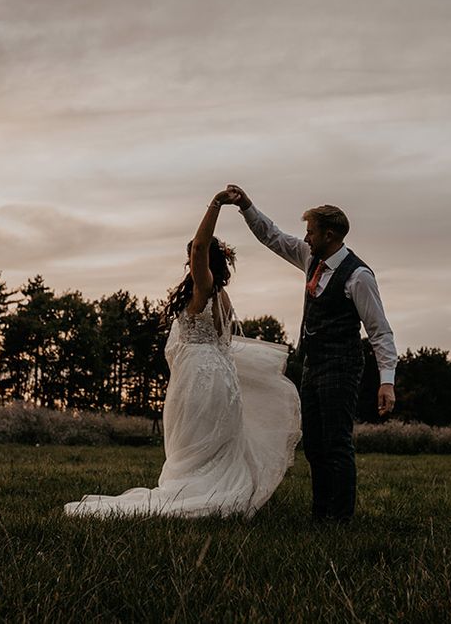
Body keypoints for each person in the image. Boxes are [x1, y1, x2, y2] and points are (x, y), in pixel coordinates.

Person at [64, 191, 301, 518]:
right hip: (220, 379)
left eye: (194, 258)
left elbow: (201, 246)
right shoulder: (221, 295)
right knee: (209, 446)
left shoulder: (205, 285)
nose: (191, 261)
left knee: (192, 447)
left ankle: (197, 493)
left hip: (199, 381)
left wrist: (216, 204)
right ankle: (219, 489)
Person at [224, 185, 397, 523]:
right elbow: (272, 236)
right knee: (315, 445)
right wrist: (246, 205)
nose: (305, 238)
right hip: (313, 364)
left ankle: (340, 519)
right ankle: (320, 515)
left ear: (328, 234)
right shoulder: (310, 258)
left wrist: (386, 381)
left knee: (336, 443)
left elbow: (380, 331)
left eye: (310, 231)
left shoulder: (358, 276)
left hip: (343, 365)